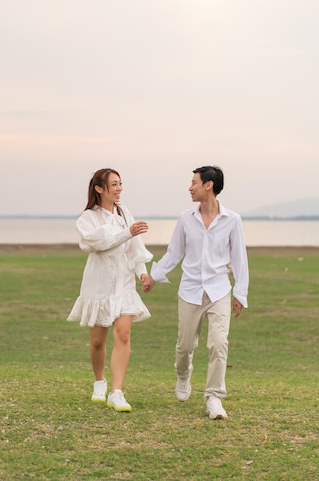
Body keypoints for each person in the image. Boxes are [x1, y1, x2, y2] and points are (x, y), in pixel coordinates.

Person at [142, 165, 249, 420]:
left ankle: (214, 397)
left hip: (219, 290)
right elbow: (174, 253)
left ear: (208, 185)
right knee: (185, 345)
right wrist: (153, 277)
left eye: (194, 183)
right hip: (190, 290)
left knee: (218, 344)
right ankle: (183, 374)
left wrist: (240, 294)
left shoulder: (232, 220)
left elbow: (239, 259)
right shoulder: (185, 218)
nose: (190, 187)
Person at [67, 168, 153, 412]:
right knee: (97, 341)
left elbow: (135, 247)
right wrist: (128, 232)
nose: (119, 188)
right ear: (99, 188)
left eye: (120, 183)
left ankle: (117, 392)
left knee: (124, 334)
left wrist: (143, 273)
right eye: (113, 184)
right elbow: (99, 244)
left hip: (124, 284)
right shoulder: (87, 219)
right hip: (99, 285)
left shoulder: (124, 213)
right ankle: (99, 381)